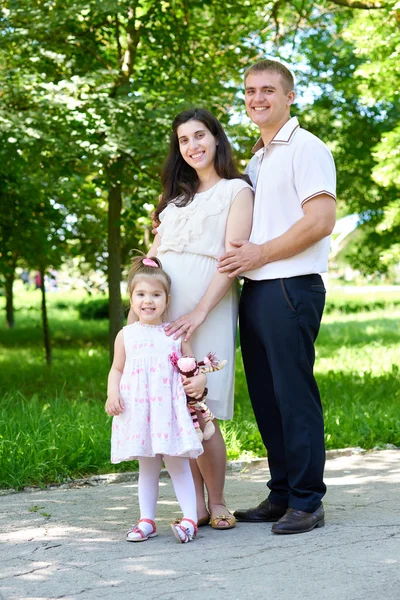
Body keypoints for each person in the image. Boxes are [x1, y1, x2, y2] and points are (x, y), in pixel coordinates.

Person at [218, 60, 336, 534]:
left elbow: (320, 221)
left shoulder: (307, 148)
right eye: (249, 91)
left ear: (289, 96)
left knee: (294, 395)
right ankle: (282, 493)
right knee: (267, 398)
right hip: (257, 288)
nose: (257, 98)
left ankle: (308, 501)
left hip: (291, 285)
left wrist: (260, 253)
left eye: (268, 90)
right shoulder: (257, 158)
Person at [129, 108, 254, 530]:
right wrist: (133, 327)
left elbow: (232, 260)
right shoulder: (174, 201)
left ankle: (217, 500)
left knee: (201, 409)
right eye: (183, 140)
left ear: (216, 139)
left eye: (200, 135)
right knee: (171, 405)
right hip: (161, 319)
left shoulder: (237, 191)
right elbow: (150, 268)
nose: (193, 145)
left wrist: (199, 312)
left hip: (208, 310)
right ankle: (193, 505)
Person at [105, 256, 206, 544]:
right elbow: (117, 368)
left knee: (177, 464)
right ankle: (146, 520)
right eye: (141, 294)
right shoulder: (126, 335)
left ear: (167, 299)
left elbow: (193, 366)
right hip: (138, 411)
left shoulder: (174, 333)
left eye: (155, 295)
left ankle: (189, 519)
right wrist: (113, 392)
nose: (148, 301)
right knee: (146, 467)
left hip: (168, 412)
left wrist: (199, 380)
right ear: (131, 298)